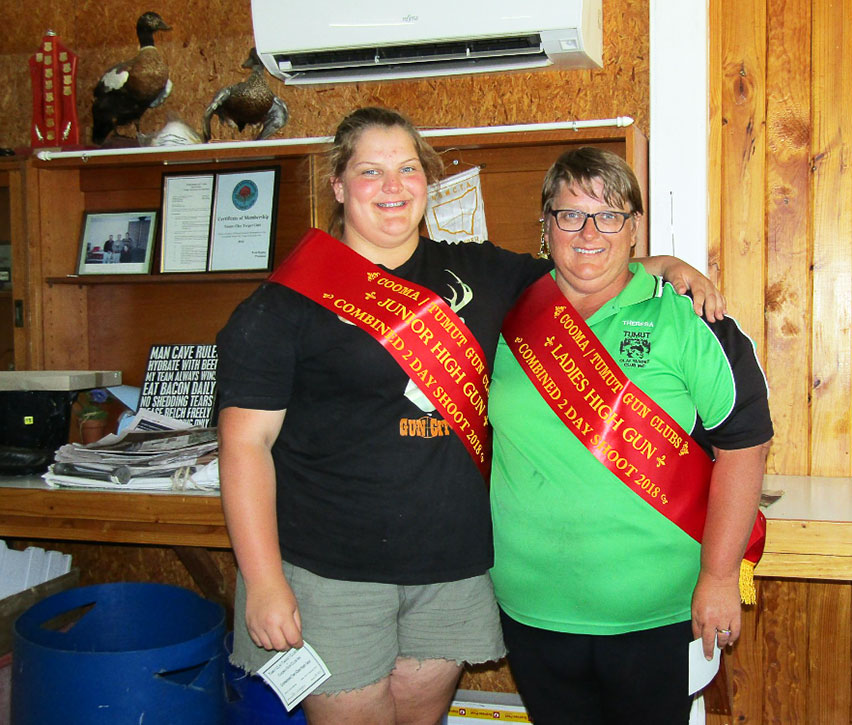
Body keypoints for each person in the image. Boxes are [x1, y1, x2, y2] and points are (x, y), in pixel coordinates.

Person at [215, 107, 723, 725]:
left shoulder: (480, 271)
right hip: (331, 572)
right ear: (339, 186)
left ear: (427, 181)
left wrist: (663, 264)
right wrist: (264, 582)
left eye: (407, 168)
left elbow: (582, 265)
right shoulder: (285, 304)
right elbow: (245, 446)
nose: (393, 186)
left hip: (450, 571)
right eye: (371, 172)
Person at [488, 147, 773, 724]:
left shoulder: (690, 319)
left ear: (635, 226)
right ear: (546, 227)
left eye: (610, 214)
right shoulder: (508, 314)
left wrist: (719, 578)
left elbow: (745, 446)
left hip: (658, 613)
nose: (589, 231)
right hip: (531, 607)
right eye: (570, 214)